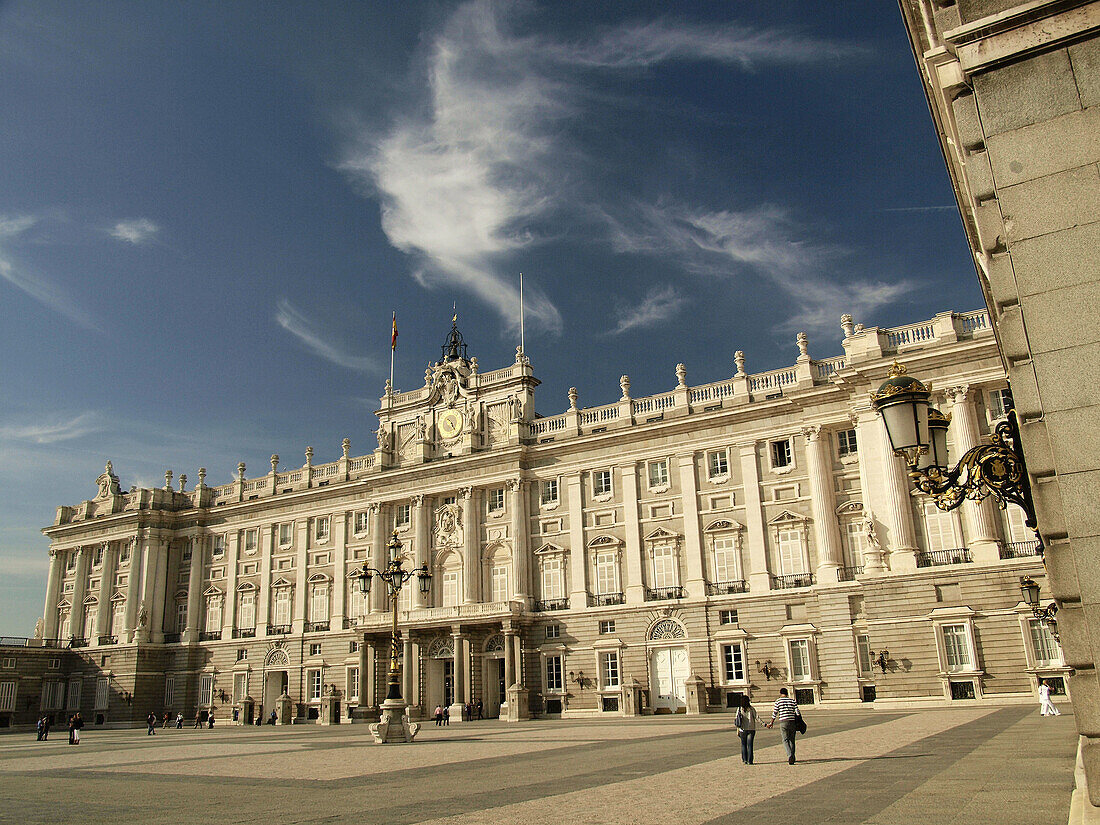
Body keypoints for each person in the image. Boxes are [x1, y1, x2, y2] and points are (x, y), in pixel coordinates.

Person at [765, 688, 800, 764]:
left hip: (783, 721)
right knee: (792, 740)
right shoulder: (792, 701)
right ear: (787, 693)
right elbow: (797, 712)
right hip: (792, 721)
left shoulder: (778, 701)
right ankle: (793, 756)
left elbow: (775, 713)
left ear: (780, 693)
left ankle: (789, 755)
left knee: (785, 739)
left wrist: (771, 722)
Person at [734, 695, 759, 765]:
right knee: (750, 745)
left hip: (742, 729)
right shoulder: (751, 709)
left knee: (743, 745)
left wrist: (737, 729)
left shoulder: (739, 709)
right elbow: (757, 717)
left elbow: (736, 720)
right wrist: (764, 724)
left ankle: (745, 759)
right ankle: (750, 760)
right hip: (751, 729)